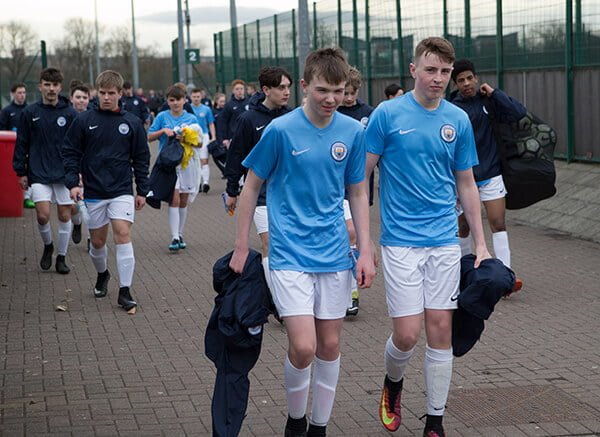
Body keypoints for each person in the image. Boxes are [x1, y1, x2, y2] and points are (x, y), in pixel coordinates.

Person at [229, 47, 376, 437]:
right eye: (323, 90)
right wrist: (242, 246)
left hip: (335, 255)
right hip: (289, 253)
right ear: (305, 85)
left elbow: (357, 191)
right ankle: (296, 418)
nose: (331, 99)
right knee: (304, 346)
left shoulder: (352, 132)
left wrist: (365, 249)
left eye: (338, 91)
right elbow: (250, 187)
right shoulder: (280, 130)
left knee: (329, 345)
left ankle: (319, 426)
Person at [364, 37, 491, 437]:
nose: (438, 78)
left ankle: (435, 422)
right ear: (413, 70)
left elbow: (466, 183)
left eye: (445, 71)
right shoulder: (387, 115)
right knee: (406, 335)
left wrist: (481, 244)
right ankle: (393, 382)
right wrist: (362, 240)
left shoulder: (458, 120)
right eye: (431, 69)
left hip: (444, 241)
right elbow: (360, 178)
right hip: (400, 241)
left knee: (440, 331)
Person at [62, 70, 150, 313]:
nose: (107, 97)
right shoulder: (83, 121)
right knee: (98, 243)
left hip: (122, 189)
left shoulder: (132, 123)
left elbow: (141, 158)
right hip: (93, 190)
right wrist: (73, 183)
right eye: (102, 93)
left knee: (122, 233)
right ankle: (102, 274)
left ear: (120, 93)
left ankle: (125, 291)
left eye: (111, 93)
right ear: (96, 93)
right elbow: (70, 152)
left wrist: (142, 190)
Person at [450, 58, 525, 292]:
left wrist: (495, 93)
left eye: (469, 78)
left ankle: (506, 277)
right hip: (463, 178)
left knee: (498, 223)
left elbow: (518, 113)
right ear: (455, 84)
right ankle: (463, 275)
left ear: (476, 78)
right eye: (460, 80)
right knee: (463, 226)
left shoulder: (489, 100)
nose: (466, 83)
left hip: (491, 173)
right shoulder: (451, 108)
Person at [224, 66, 292, 301]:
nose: (286, 92)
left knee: (288, 245)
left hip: (290, 194)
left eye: (288, 87)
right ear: (266, 89)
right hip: (261, 193)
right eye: (281, 87)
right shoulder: (248, 119)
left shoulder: (292, 117)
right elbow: (236, 157)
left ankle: (287, 291)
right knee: (269, 243)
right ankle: (277, 300)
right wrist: (231, 191)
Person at [13, 67, 78, 274]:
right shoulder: (30, 113)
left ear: (60, 87)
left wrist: (79, 171)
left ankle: (61, 257)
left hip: (64, 173)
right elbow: (21, 143)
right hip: (39, 171)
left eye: (55, 85)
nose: (51, 89)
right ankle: (48, 245)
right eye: (47, 85)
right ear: (40, 86)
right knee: (42, 216)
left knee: (65, 216)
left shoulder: (70, 113)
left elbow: (78, 145)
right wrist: (21, 171)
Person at [336, 66, 374, 317]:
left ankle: (350, 291)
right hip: (335, 187)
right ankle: (346, 291)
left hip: (359, 188)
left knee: (353, 236)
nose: (348, 98)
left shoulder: (368, 114)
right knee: (347, 235)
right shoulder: (331, 112)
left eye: (353, 93)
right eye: (345, 93)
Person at [148, 85, 199, 251]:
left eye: (178, 99)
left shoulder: (191, 118)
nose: (175, 103)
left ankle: (180, 234)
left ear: (184, 100)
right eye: (172, 100)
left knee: (183, 200)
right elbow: (149, 137)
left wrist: (186, 138)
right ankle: (174, 237)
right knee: (174, 199)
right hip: (168, 163)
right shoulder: (162, 116)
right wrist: (163, 131)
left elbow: (199, 143)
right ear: (167, 101)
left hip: (186, 163)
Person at [0, 82, 34, 208]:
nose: (22, 95)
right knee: (15, 171)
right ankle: (12, 197)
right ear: (13, 94)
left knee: (29, 168)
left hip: (28, 146)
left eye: (24, 92)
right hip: (11, 148)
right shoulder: (6, 111)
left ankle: (27, 197)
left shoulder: (30, 110)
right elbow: (2, 129)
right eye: (19, 93)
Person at [68, 83, 91, 245]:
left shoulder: (94, 117)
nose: (81, 100)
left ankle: (91, 238)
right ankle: (77, 223)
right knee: (73, 207)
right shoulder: (66, 118)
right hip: (70, 167)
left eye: (84, 97)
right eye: (78, 97)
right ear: (71, 98)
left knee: (90, 207)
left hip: (89, 167)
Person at [190, 88, 217, 193]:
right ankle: (197, 183)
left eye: (198, 97)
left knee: (204, 160)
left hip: (204, 136)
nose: (196, 99)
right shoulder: (188, 109)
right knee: (193, 161)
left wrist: (213, 136)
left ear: (201, 97)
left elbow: (211, 123)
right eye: (194, 97)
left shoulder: (206, 109)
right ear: (191, 97)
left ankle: (205, 182)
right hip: (191, 137)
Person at [220, 79, 249, 148]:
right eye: (237, 89)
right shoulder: (229, 105)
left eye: (241, 88)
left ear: (244, 90)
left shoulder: (250, 102)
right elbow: (224, 122)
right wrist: (225, 138)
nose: (239, 91)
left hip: (248, 135)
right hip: (234, 136)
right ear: (233, 91)